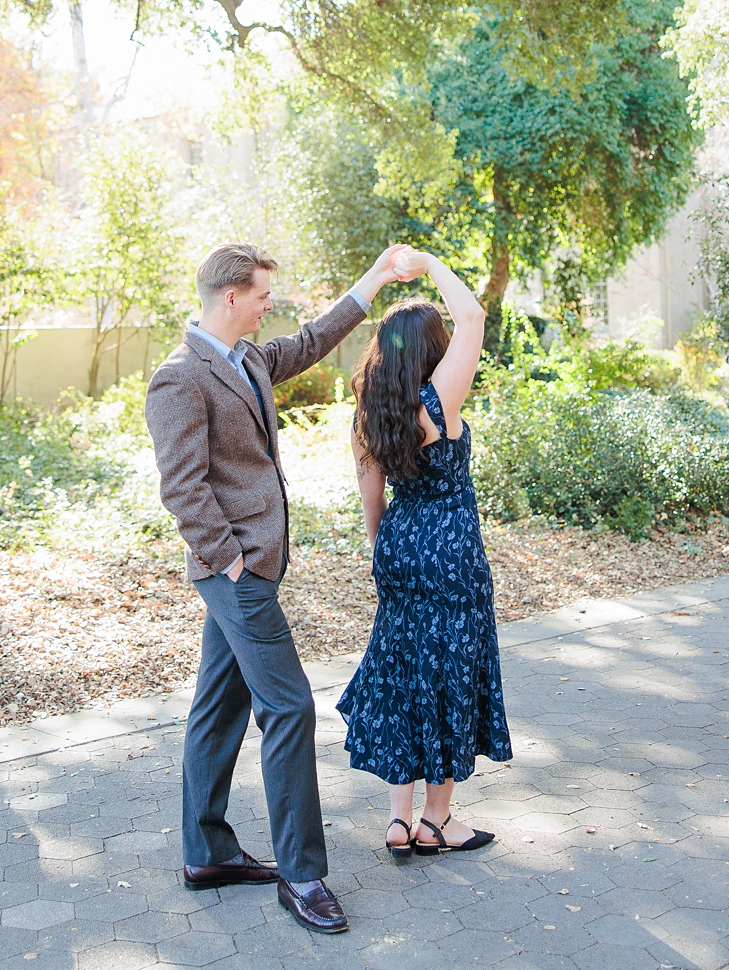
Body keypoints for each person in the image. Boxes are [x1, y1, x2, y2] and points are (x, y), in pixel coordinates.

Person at [146, 240, 412, 935]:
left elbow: (316, 337)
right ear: (230, 296)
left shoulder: (249, 358)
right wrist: (232, 563)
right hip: (238, 575)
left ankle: (206, 850)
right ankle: (302, 873)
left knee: (218, 704)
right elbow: (183, 486)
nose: (271, 305)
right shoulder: (181, 375)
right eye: (263, 294)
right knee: (290, 707)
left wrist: (374, 279)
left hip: (249, 567)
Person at [336, 248, 512, 857]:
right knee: (447, 671)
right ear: (431, 348)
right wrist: (432, 263)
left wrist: (379, 549)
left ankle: (397, 818)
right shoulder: (438, 403)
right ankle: (437, 822)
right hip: (450, 550)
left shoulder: (371, 413)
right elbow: (475, 319)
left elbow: (369, 493)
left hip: (399, 545)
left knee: (403, 669)